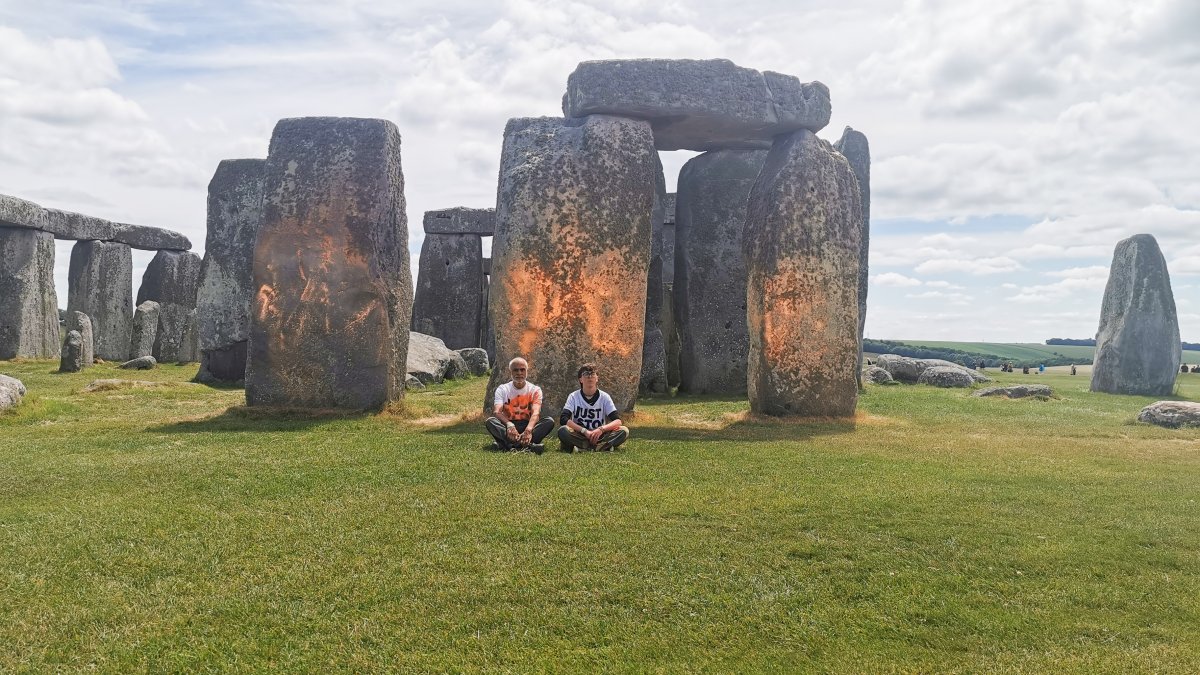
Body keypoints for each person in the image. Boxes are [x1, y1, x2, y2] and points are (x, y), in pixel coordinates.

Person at [485, 357, 555, 453]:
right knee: (491, 421)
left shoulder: (535, 390)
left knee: (549, 421)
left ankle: (507, 445)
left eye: (522, 370)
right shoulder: (502, 389)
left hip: (527, 424)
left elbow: (536, 413)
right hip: (508, 426)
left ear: (526, 372)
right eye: (515, 370)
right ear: (510, 372)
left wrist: (529, 430)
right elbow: (497, 412)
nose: (519, 373)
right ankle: (529, 446)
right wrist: (510, 425)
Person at [557, 363, 629, 452]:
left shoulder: (604, 397)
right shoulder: (573, 396)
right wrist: (584, 431)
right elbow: (563, 419)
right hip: (580, 434)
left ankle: (583, 447)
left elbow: (617, 421)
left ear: (597, 378)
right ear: (580, 379)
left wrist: (601, 430)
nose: (590, 377)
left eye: (593, 374)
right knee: (563, 430)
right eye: (586, 374)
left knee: (624, 430)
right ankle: (600, 447)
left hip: (599, 435)